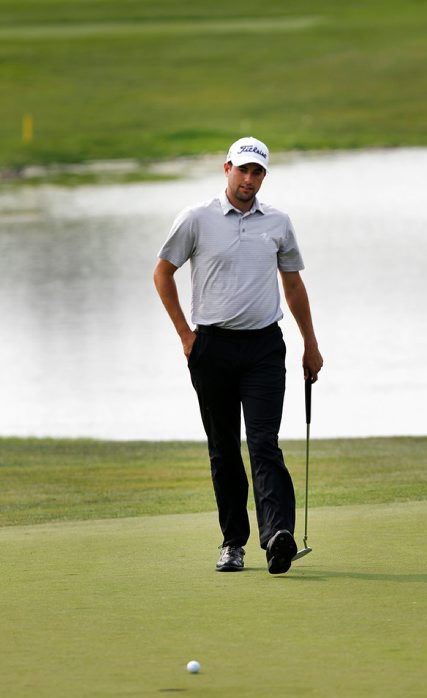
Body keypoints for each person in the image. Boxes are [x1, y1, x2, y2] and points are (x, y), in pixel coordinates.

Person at [153, 136, 323, 575]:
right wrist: (186, 337)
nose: (250, 179)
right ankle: (233, 542)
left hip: (265, 346)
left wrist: (311, 343)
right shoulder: (196, 219)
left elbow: (294, 285)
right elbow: (163, 272)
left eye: (258, 172)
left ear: (264, 175)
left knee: (265, 443)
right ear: (227, 168)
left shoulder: (279, 223)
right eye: (243, 170)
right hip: (212, 347)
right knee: (224, 450)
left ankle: (278, 536)